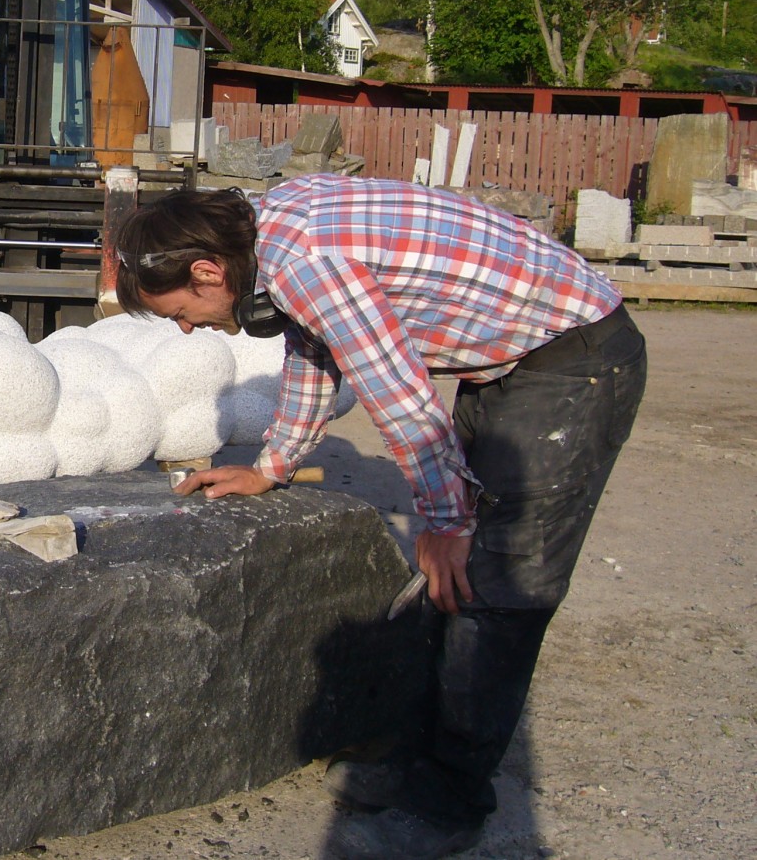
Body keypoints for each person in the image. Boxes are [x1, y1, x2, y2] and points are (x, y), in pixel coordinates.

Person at [113, 174, 646, 860]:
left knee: (501, 584)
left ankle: (448, 804)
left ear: (208, 271)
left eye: (183, 311)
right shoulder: (270, 233)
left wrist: (446, 522)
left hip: (573, 358)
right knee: (458, 580)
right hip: (510, 363)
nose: (188, 327)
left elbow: (400, 396)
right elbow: (315, 347)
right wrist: (274, 464)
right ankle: (416, 756)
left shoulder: (308, 260)